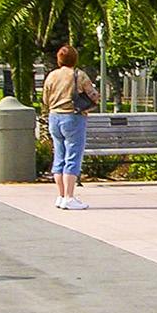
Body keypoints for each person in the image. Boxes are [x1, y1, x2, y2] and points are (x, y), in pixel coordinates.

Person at [41, 45, 98, 210]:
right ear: (75, 59)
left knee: (59, 156)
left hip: (54, 117)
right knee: (73, 156)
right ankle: (69, 197)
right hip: (72, 117)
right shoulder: (78, 75)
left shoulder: (51, 76)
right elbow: (93, 95)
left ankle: (60, 196)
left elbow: (45, 99)